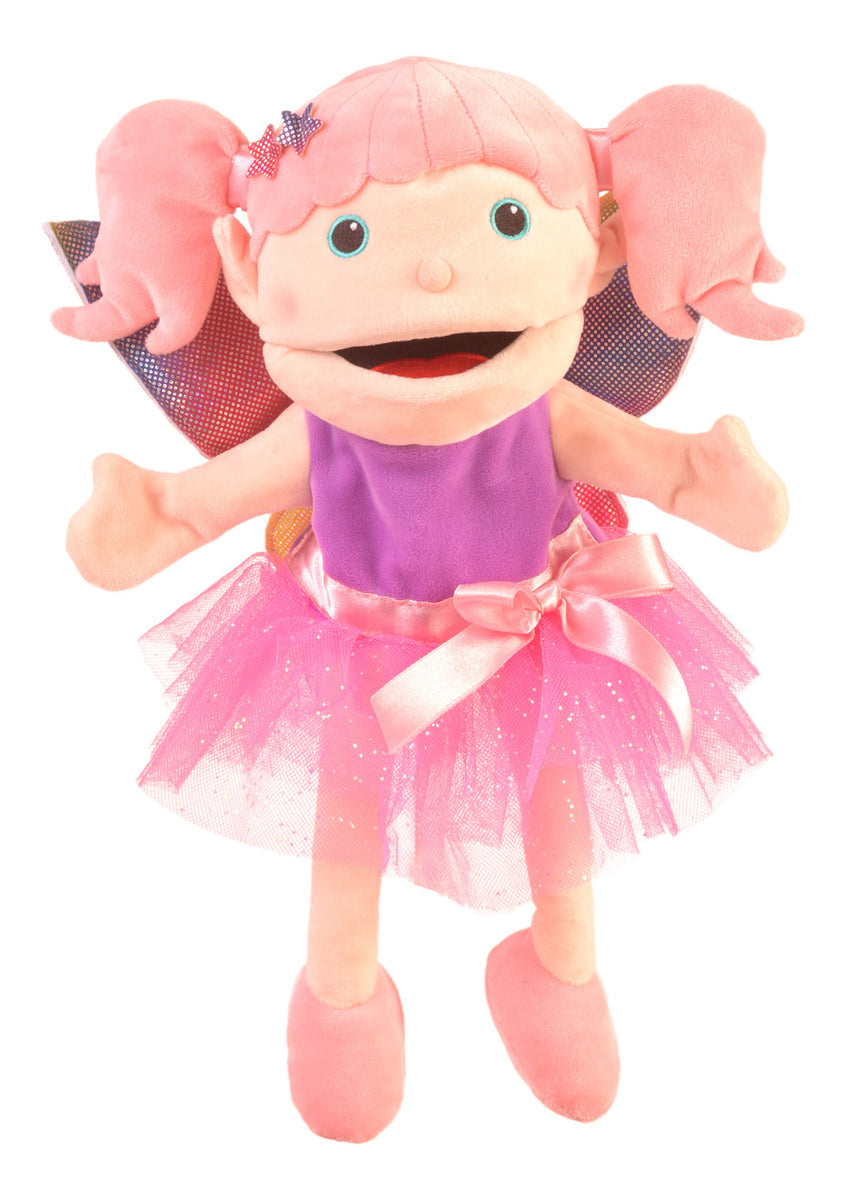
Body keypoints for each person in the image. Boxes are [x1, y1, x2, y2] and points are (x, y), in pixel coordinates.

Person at [53, 56, 800, 1142]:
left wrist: (710, 480)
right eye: (348, 238)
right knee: (345, 847)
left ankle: (556, 976)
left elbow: (662, 468)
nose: (438, 278)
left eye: (508, 221)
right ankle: (343, 1003)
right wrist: (151, 513)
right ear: (248, 273)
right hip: (355, 655)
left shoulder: (549, 410)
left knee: (559, 836)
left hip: (542, 644)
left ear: (595, 249)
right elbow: (202, 503)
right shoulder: (316, 430)